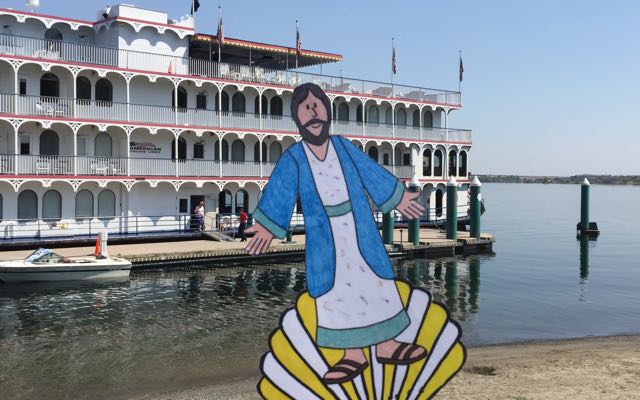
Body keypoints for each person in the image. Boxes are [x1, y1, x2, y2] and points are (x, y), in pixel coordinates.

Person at [246, 83, 427, 385]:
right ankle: (351, 354)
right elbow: (281, 190)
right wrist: (268, 225)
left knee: (374, 283)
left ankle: (387, 345)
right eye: (306, 108)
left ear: (328, 113)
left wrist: (397, 198)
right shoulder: (294, 158)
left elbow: (371, 173)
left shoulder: (343, 146)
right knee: (336, 291)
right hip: (325, 237)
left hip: (359, 228)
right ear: (297, 118)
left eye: (318, 105)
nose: (313, 112)